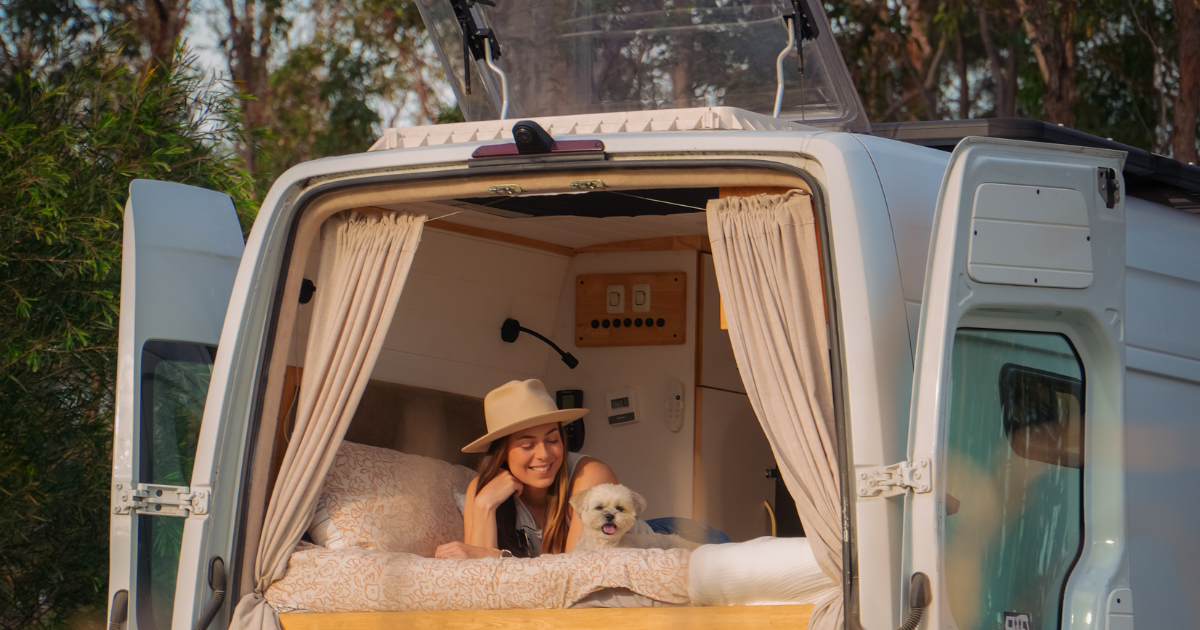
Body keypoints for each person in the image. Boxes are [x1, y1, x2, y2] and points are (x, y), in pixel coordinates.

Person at [434, 379, 624, 558]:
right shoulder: (482, 491)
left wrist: (498, 557)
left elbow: (578, 574)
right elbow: (479, 580)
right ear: (502, 451)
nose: (544, 454)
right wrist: (485, 505)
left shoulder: (591, 476)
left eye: (552, 439)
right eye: (527, 445)